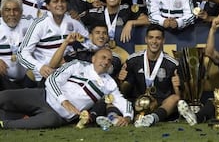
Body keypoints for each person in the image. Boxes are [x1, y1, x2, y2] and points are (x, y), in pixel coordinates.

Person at [0, 48, 133, 129]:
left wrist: (127, 117)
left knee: (50, 121)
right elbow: (52, 79)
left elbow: (121, 101)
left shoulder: (109, 83)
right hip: (43, 96)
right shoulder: (77, 65)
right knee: (4, 97)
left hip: (59, 115)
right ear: (93, 58)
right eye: (103, 57)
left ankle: (5, 125)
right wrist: (64, 101)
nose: (106, 62)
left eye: (109, 60)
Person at [17, 0, 89, 86]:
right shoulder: (39, 24)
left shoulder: (74, 22)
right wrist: (40, 67)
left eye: (62, 1)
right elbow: (22, 53)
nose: (60, 4)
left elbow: (89, 44)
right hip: (43, 77)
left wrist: (83, 40)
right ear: (47, 6)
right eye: (55, 1)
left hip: (67, 76)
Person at [117, 24, 181, 127]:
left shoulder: (172, 64)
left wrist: (177, 87)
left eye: (158, 38)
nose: (154, 41)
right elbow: (123, 92)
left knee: (174, 99)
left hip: (160, 105)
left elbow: (179, 97)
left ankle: (152, 118)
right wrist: (121, 81)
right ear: (146, 39)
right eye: (151, 37)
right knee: (111, 99)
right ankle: (115, 118)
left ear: (163, 40)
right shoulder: (133, 60)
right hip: (137, 103)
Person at [81, 0, 149, 43]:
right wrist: (88, 35)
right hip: (99, 51)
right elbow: (76, 23)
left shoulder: (127, 10)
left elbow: (147, 20)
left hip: (123, 50)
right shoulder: (94, 13)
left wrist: (130, 23)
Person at [48, 23, 122, 78]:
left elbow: (104, 72)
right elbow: (53, 65)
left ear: (108, 37)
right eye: (97, 33)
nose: (101, 36)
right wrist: (66, 42)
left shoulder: (113, 57)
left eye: (104, 33)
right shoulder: (80, 50)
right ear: (90, 35)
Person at [0, 0, 33, 90]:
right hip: (2, 81)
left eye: (15, 10)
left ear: (21, 12)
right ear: (1, 12)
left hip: (28, 80)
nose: (12, 13)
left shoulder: (31, 25)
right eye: (7, 10)